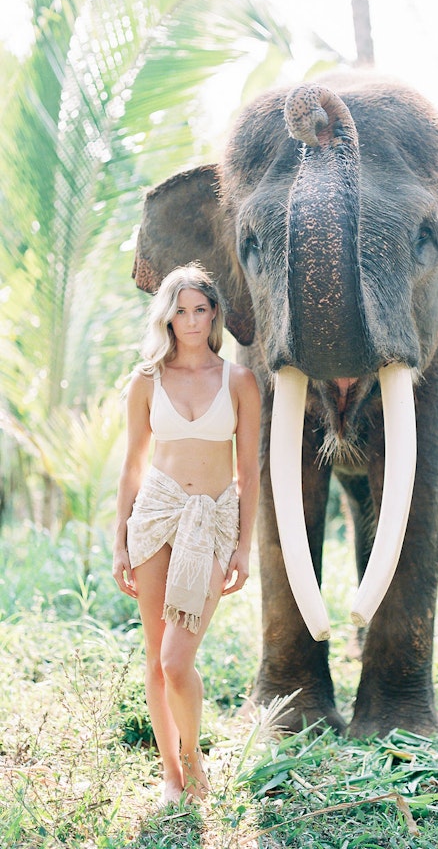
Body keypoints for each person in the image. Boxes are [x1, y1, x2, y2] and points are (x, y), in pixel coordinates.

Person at [113, 263, 261, 804]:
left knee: (179, 660)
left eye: (200, 309)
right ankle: (172, 775)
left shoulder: (238, 380)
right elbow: (131, 467)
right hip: (154, 516)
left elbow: (250, 472)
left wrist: (244, 546)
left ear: (215, 313)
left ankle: (195, 761)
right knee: (156, 658)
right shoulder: (146, 380)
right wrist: (119, 541)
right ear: (167, 316)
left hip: (214, 520)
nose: (191, 320)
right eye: (180, 310)